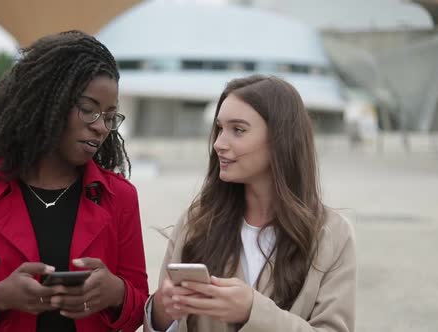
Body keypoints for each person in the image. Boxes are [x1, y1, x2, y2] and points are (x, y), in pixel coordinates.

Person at [0, 30, 149, 332]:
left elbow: (141, 310)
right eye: (88, 110)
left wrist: (117, 293)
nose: (101, 127)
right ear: (49, 102)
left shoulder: (120, 196)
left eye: (110, 115)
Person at [145, 75, 356, 332]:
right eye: (219, 129)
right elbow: (161, 325)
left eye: (238, 130)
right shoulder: (196, 221)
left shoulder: (331, 235)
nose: (219, 144)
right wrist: (162, 311)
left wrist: (252, 311)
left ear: (280, 140)